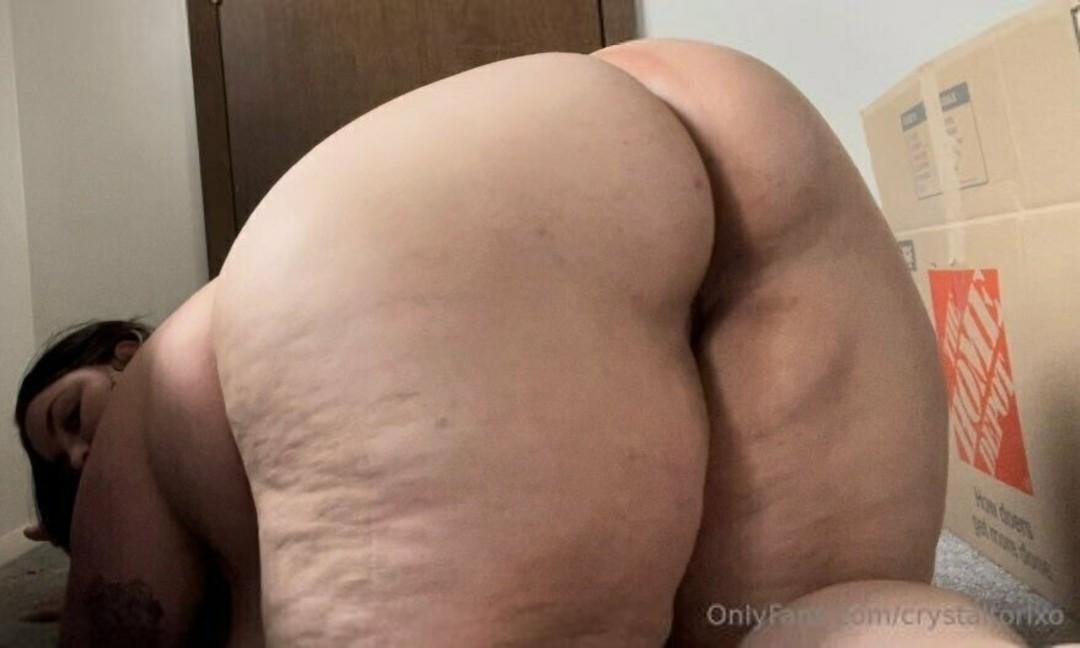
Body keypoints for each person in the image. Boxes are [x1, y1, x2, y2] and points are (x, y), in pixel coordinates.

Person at [14, 39, 1024, 647]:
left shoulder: (166, 380)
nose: (79, 452)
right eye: (63, 470)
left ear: (122, 348)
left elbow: (118, 627)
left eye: (65, 418)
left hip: (466, 202)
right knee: (828, 619)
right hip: (755, 133)